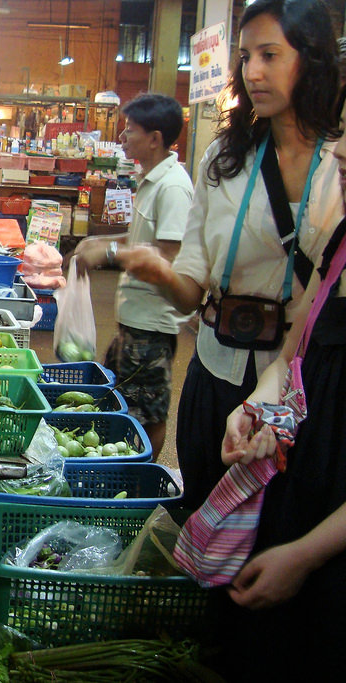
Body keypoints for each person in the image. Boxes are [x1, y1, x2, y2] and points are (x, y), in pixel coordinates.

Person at [121, 0, 343, 510]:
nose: (254, 72)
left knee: (284, 522)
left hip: (301, 384)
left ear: (310, 60)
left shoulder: (339, 162)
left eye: (270, 54)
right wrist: (153, 267)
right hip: (217, 369)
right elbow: (191, 285)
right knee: (205, 510)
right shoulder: (224, 159)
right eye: (245, 57)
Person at [210, 102, 346, 679]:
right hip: (302, 502)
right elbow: (291, 355)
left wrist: (308, 553)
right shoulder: (340, 242)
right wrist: (258, 403)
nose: (338, 156)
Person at [68, 94, 193, 457]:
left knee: (146, 414)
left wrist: (108, 253)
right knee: (121, 400)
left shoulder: (173, 187)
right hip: (133, 319)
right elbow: (138, 240)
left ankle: (142, 477)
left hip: (153, 324)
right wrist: (97, 241)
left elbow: (168, 257)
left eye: (130, 129)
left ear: (155, 138)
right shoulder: (151, 179)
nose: (122, 136)